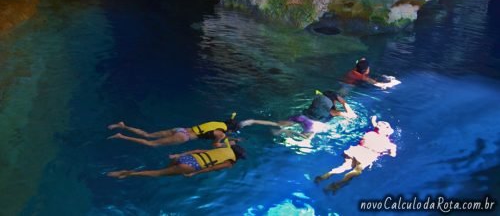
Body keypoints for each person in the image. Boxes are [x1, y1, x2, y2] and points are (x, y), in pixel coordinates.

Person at [315, 116, 397, 192]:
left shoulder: (372, 132)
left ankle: (324, 176)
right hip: (368, 155)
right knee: (357, 171)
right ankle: (336, 185)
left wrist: (373, 119)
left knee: (344, 166)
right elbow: (392, 155)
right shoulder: (389, 144)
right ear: (387, 132)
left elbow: (375, 124)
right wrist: (387, 151)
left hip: (356, 150)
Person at [240, 90, 357, 139]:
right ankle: (284, 132)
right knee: (305, 140)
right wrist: (344, 102)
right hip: (312, 125)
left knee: (276, 123)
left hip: (300, 116)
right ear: (334, 100)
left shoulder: (318, 100)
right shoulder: (333, 111)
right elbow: (353, 116)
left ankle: (251, 121)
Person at [107, 141, 246, 179]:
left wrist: (178, 155)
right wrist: (194, 173)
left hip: (187, 157)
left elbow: (198, 150)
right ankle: (127, 174)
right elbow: (210, 168)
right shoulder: (229, 163)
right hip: (191, 166)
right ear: (237, 156)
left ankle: (168, 168)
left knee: (164, 170)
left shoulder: (221, 150)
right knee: (157, 174)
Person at [107, 114, 240, 148]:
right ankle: (121, 136)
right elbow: (215, 144)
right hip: (183, 137)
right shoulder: (221, 133)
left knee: (148, 135)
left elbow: (208, 132)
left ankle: (123, 126)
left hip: (181, 129)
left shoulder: (216, 123)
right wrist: (229, 143)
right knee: (151, 144)